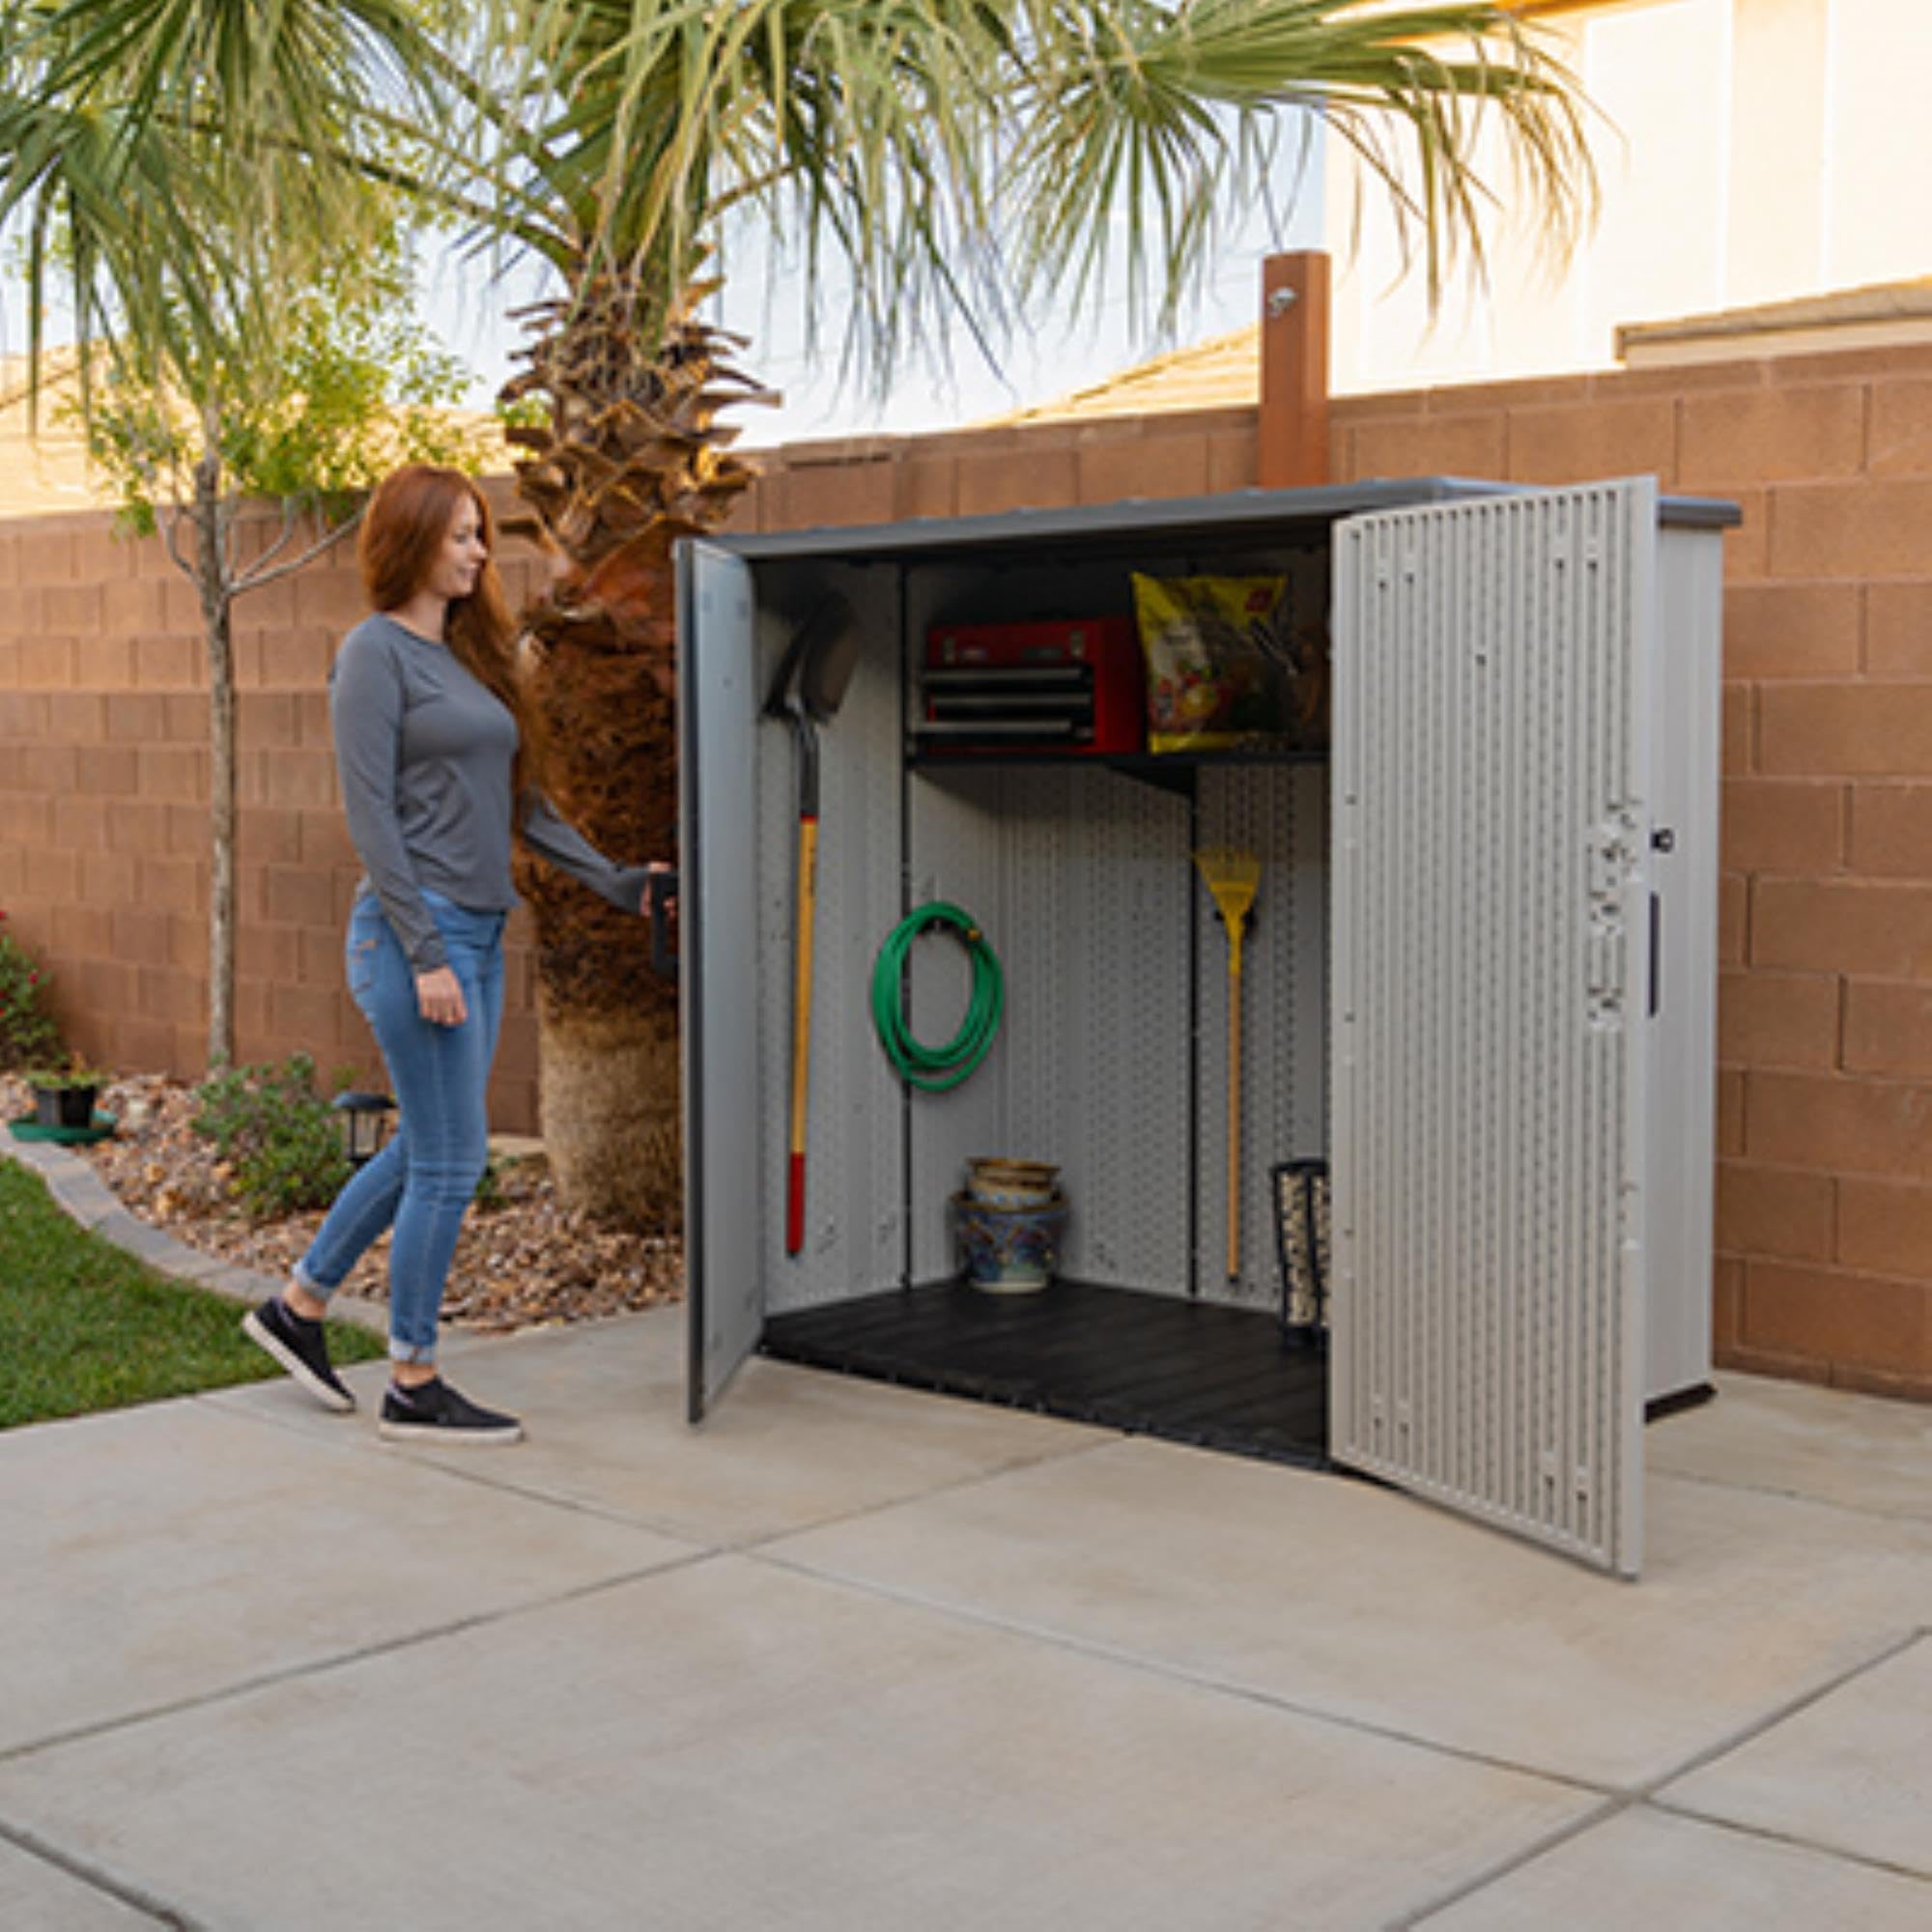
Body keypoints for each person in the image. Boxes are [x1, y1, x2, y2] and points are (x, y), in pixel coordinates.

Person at [243, 464, 669, 1444]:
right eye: (462, 534)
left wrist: (612, 877)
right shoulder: (372, 656)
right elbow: (372, 817)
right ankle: (412, 1376)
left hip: (477, 932)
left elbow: (521, 804)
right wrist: (425, 950)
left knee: (424, 1147)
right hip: (412, 935)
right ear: (413, 538)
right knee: (451, 1159)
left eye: (481, 535)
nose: (481, 551)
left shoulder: (472, 663)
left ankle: (296, 1309)